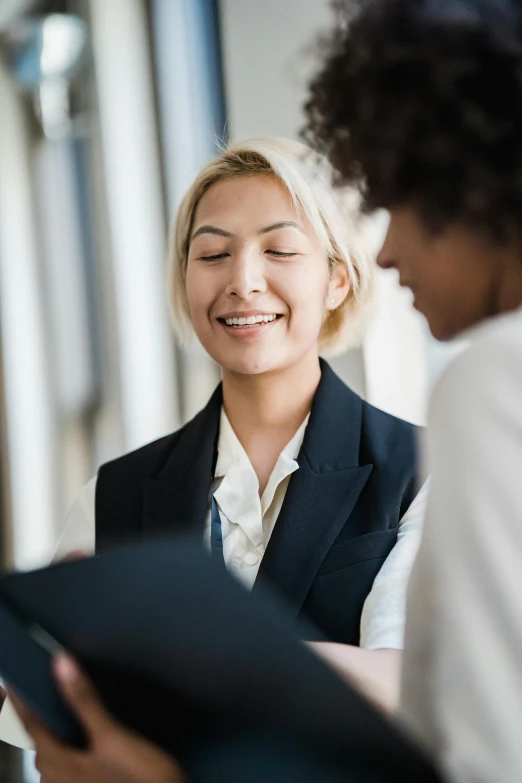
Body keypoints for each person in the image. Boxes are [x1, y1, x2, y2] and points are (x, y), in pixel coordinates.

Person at [2, 137, 427, 771]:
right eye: (213, 254)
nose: (243, 281)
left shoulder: (417, 472)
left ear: (337, 278)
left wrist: (201, 653)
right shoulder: (114, 492)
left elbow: (410, 688)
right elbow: (38, 710)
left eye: (279, 250)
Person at [303, 0, 522, 780]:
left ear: (473, 184)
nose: (386, 250)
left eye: (398, 200)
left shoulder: (495, 378)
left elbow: (485, 753)